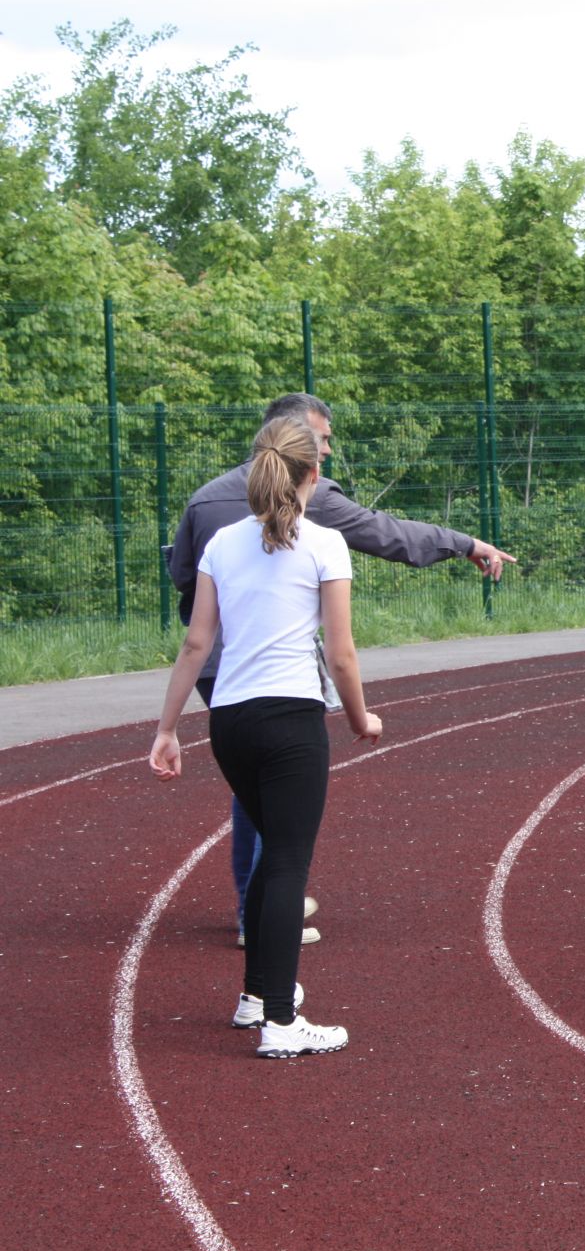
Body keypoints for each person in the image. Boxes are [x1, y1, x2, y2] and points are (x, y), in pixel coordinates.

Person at [169, 393, 514, 946]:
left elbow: (184, 577)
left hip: (217, 664)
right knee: (282, 791)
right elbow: (387, 533)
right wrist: (465, 543)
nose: (329, 449)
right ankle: (264, 917)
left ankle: (248, 907)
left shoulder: (204, 499)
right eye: (323, 438)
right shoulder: (312, 497)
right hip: (277, 668)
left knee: (251, 785)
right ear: (297, 443)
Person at [151, 417, 381, 1058]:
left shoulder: (222, 543)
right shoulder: (324, 545)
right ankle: (282, 1023)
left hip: (230, 719)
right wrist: (362, 720)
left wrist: (167, 729)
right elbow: (341, 656)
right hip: (291, 720)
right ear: (313, 476)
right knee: (285, 862)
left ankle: (257, 997)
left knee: (268, 855)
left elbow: (198, 643)